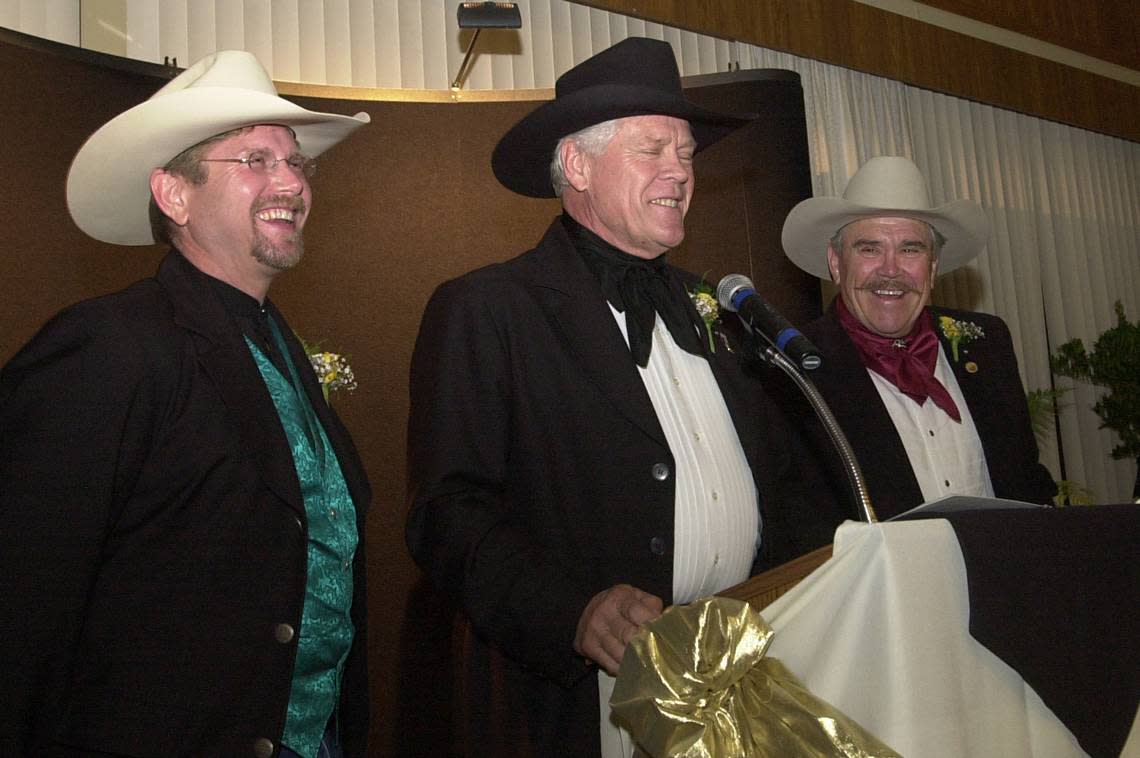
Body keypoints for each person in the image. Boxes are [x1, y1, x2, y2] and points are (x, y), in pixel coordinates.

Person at [406, 37, 833, 757]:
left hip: (740, 678)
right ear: (577, 164)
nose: (680, 172)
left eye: (687, 153)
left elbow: (783, 486)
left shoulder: (715, 308)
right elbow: (447, 514)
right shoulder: (492, 309)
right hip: (587, 705)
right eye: (653, 150)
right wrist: (572, 611)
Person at [0, 51, 372, 758]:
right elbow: (23, 608)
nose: (291, 181)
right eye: (255, 159)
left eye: (298, 163)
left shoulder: (279, 347)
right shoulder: (107, 347)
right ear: (174, 195)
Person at [779, 155, 1056, 522]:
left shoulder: (988, 344)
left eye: (910, 249)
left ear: (933, 267)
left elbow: (1027, 484)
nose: (891, 269)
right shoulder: (794, 369)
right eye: (870, 248)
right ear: (836, 263)